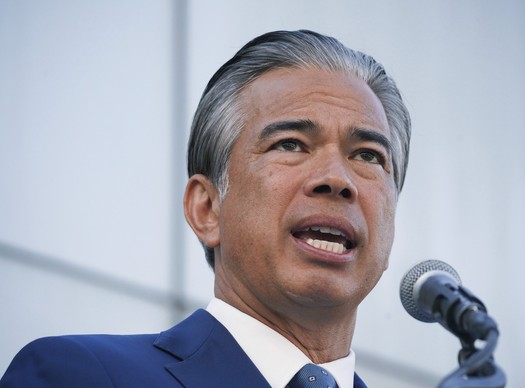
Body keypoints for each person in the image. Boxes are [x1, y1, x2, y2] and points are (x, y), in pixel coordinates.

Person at [0, 29, 411, 388]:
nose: (337, 179)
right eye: (290, 144)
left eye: (369, 156)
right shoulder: (79, 377)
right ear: (207, 209)